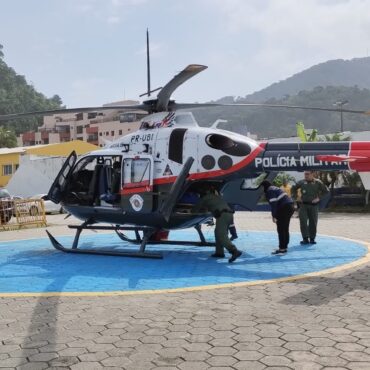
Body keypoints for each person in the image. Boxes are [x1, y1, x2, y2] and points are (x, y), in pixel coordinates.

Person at [192, 187, 242, 263]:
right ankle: (219, 253)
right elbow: (211, 206)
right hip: (228, 215)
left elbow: (195, 209)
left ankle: (234, 251)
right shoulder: (215, 197)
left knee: (221, 235)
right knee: (217, 233)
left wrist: (190, 211)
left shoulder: (205, 198)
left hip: (223, 216)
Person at [291, 171, 329, 245]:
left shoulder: (318, 182)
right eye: (305, 174)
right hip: (303, 206)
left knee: (313, 222)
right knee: (303, 222)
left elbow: (326, 191)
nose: (306, 176)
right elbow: (293, 189)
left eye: (308, 174)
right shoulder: (301, 182)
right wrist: (296, 197)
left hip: (314, 206)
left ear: (312, 174)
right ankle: (305, 238)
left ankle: (312, 238)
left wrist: (319, 198)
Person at [261, 180, 295, 254]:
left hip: (284, 208)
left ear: (264, 187)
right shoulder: (274, 188)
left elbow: (274, 204)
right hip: (290, 206)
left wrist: (274, 216)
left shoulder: (269, 191)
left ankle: (282, 248)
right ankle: (284, 247)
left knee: (281, 229)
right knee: (285, 228)